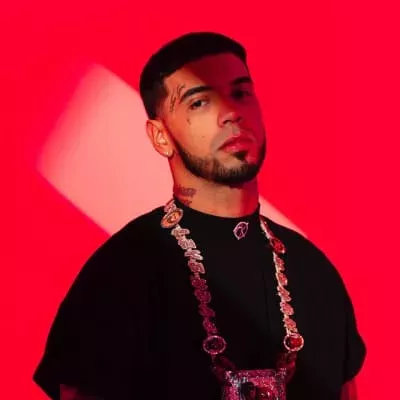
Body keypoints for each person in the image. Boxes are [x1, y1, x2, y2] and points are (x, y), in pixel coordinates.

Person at [33, 32, 366, 400]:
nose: (231, 113)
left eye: (240, 93)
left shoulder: (314, 274)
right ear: (161, 136)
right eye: (200, 102)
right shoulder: (121, 272)